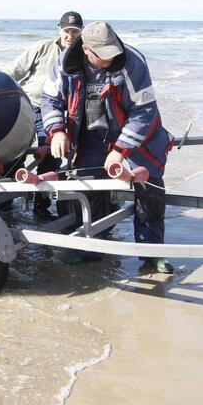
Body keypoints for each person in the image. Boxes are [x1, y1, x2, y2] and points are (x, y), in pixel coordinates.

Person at [41, 21, 175, 273]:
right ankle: (93, 248)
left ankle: (152, 253)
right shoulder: (64, 63)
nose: (110, 59)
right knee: (90, 188)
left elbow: (144, 110)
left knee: (149, 189)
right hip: (92, 134)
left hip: (138, 136)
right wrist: (57, 131)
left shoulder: (132, 61)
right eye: (103, 55)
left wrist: (120, 149)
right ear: (85, 49)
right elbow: (50, 99)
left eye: (113, 52)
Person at [2, 11, 83, 218]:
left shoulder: (85, 54)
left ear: (81, 33)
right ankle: (4, 201)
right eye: (67, 31)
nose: (70, 36)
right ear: (59, 30)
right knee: (14, 151)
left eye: (75, 32)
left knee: (52, 154)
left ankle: (41, 207)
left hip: (59, 112)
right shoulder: (42, 47)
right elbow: (13, 71)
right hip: (30, 105)